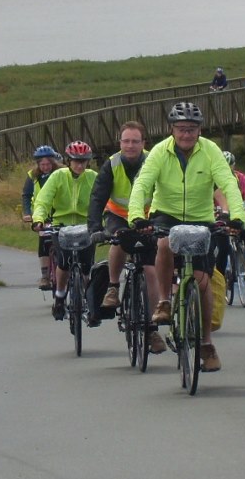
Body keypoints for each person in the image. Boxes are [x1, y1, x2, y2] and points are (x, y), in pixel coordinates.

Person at [128, 102, 245, 372]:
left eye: (192, 130)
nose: (186, 135)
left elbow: (228, 183)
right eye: (181, 129)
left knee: (203, 282)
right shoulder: (159, 151)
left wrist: (237, 216)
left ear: (199, 130)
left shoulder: (210, 150)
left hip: (200, 218)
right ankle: (165, 301)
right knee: (164, 243)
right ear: (172, 129)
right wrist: (136, 215)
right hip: (166, 215)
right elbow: (142, 184)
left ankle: (206, 343)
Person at [87, 121, 166, 353]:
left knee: (151, 271)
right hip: (119, 216)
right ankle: (113, 287)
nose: (130, 145)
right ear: (119, 142)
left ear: (143, 143)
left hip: (147, 218)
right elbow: (97, 197)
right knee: (119, 240)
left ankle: (152, 329)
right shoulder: (111, 164)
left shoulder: (155, 160)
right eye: (126, 141)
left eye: (135, 141)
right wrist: (94, 228)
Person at [32, 141, 98, 322]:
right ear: (68, 161)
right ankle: (60, 297)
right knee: (63, 262)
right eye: (76, 161)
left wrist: (103, 220)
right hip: (61, 225)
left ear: (88, 162)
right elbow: (43, 200)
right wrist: (39, 218)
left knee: (86, 266)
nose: (79, 165)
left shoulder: (93, 177)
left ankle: (89, 302)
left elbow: (103, 200)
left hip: (86, 226)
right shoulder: (58, 176)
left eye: (83, 161)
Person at [22, 145, 63, 290]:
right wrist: (27, 213)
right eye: (42, 164)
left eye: (48, 164)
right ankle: (45, 276)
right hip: (42, 215)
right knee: (44, 242)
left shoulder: (61, 173)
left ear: (53, 162)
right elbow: (26, 195)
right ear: (38, 165)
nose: (46, 167)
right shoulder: (32, 176)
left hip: (59, 213)